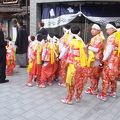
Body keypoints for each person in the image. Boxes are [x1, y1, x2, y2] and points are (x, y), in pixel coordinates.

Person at [61, 26, 87, 104]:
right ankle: (78, 97)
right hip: (81, 65)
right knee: (79, 81)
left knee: (70, 82)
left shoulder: (70, 42)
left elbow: (63, 52)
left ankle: (69, 99)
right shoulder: (82, 42)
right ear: (79, 33)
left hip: (72, 65)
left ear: (71, 32)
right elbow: (85, 53)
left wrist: (59, 57)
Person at [97, 23, 120, 101]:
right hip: (116, 60)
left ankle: (103, 95)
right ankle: (113, 92)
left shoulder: (111, 37)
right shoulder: (118, 35)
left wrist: (103, 60)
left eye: (107, 29)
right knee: (113, 77)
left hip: (110, 61)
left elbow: (109, 50)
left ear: (112, 29)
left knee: (106, 77)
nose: (106, 30)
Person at [85, 24, 104, 95]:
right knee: (95, 74)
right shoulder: (97, 37)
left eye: (94, 29)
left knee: (93, 75)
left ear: (98, 30)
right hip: (95, 59)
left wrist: (88, 47)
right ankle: (93, 87)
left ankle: (93, 89)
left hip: (96, 59)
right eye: (92, 29)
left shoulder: (98, 38)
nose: (92, 30)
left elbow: (96, 49)